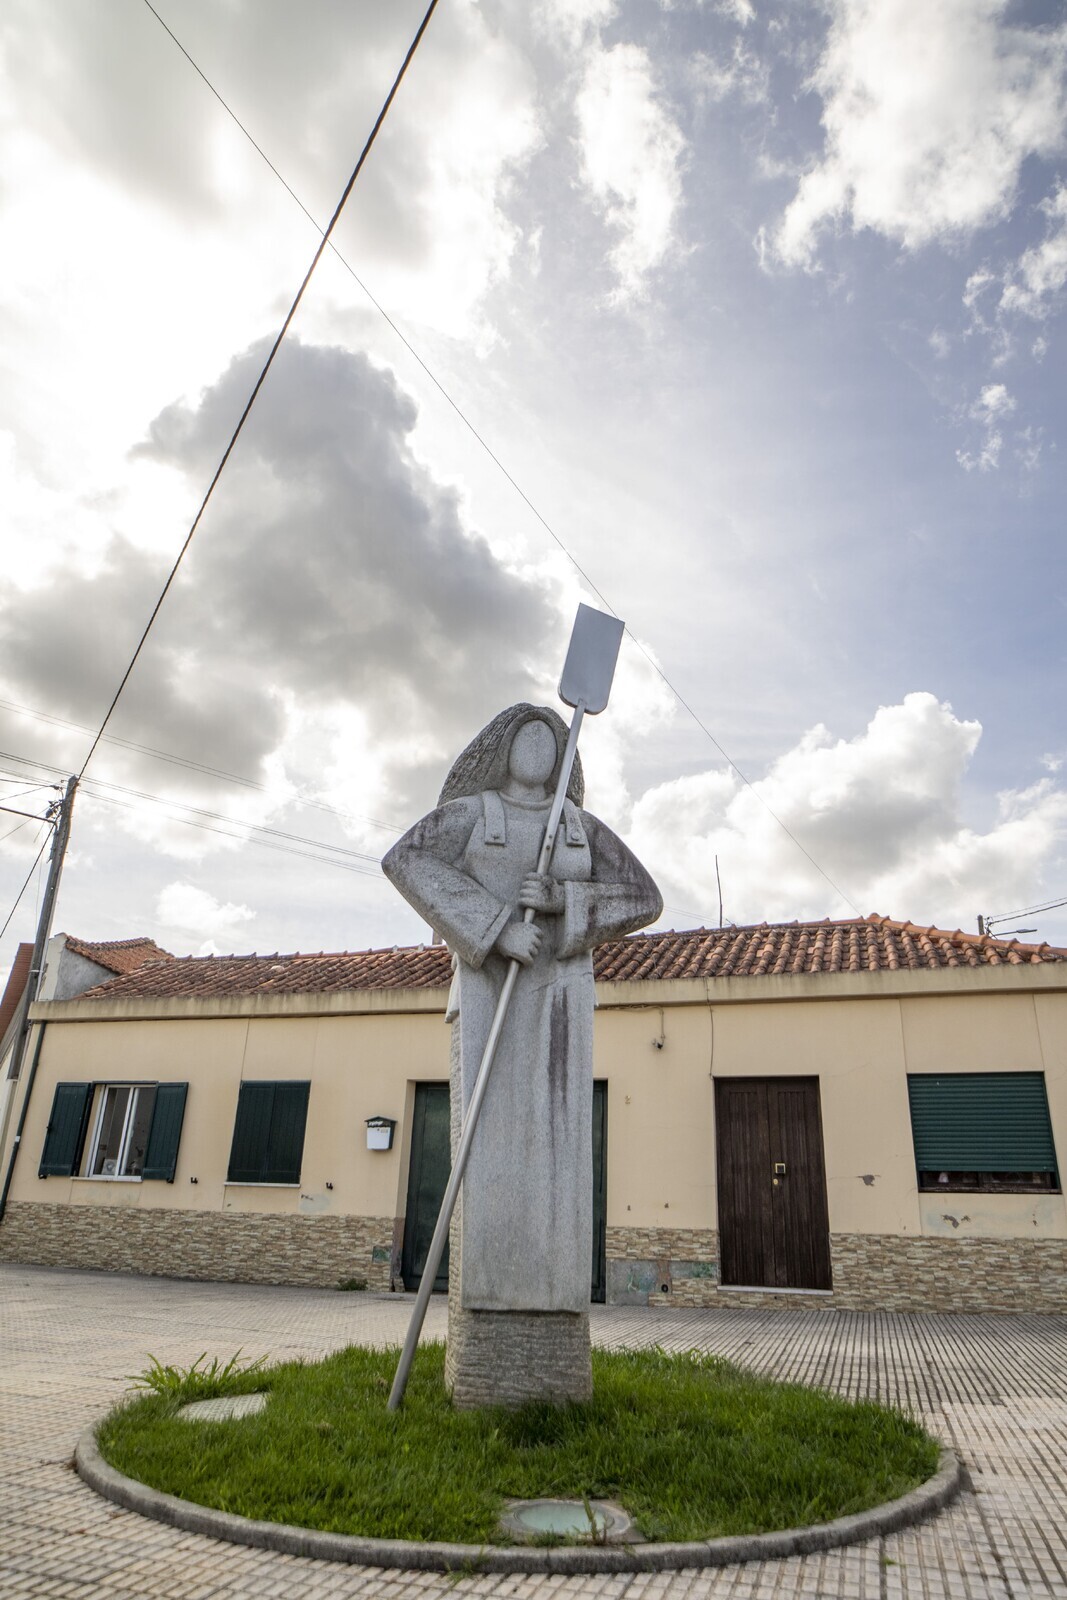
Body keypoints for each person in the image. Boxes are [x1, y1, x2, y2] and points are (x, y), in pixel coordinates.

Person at [382, 704, 661, 1401]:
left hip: (561, 999)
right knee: (492, 1146)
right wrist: (497, 925)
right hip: (488, 996)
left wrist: (565, 900)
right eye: (524, 735)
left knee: (558, 1151)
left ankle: (550, 1290)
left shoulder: (577, 827)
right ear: (499, 749)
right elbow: (405, 859)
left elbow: (642, 897)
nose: (537, 747)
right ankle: (490, 1300)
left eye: (550, 737)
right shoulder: (472, 814)